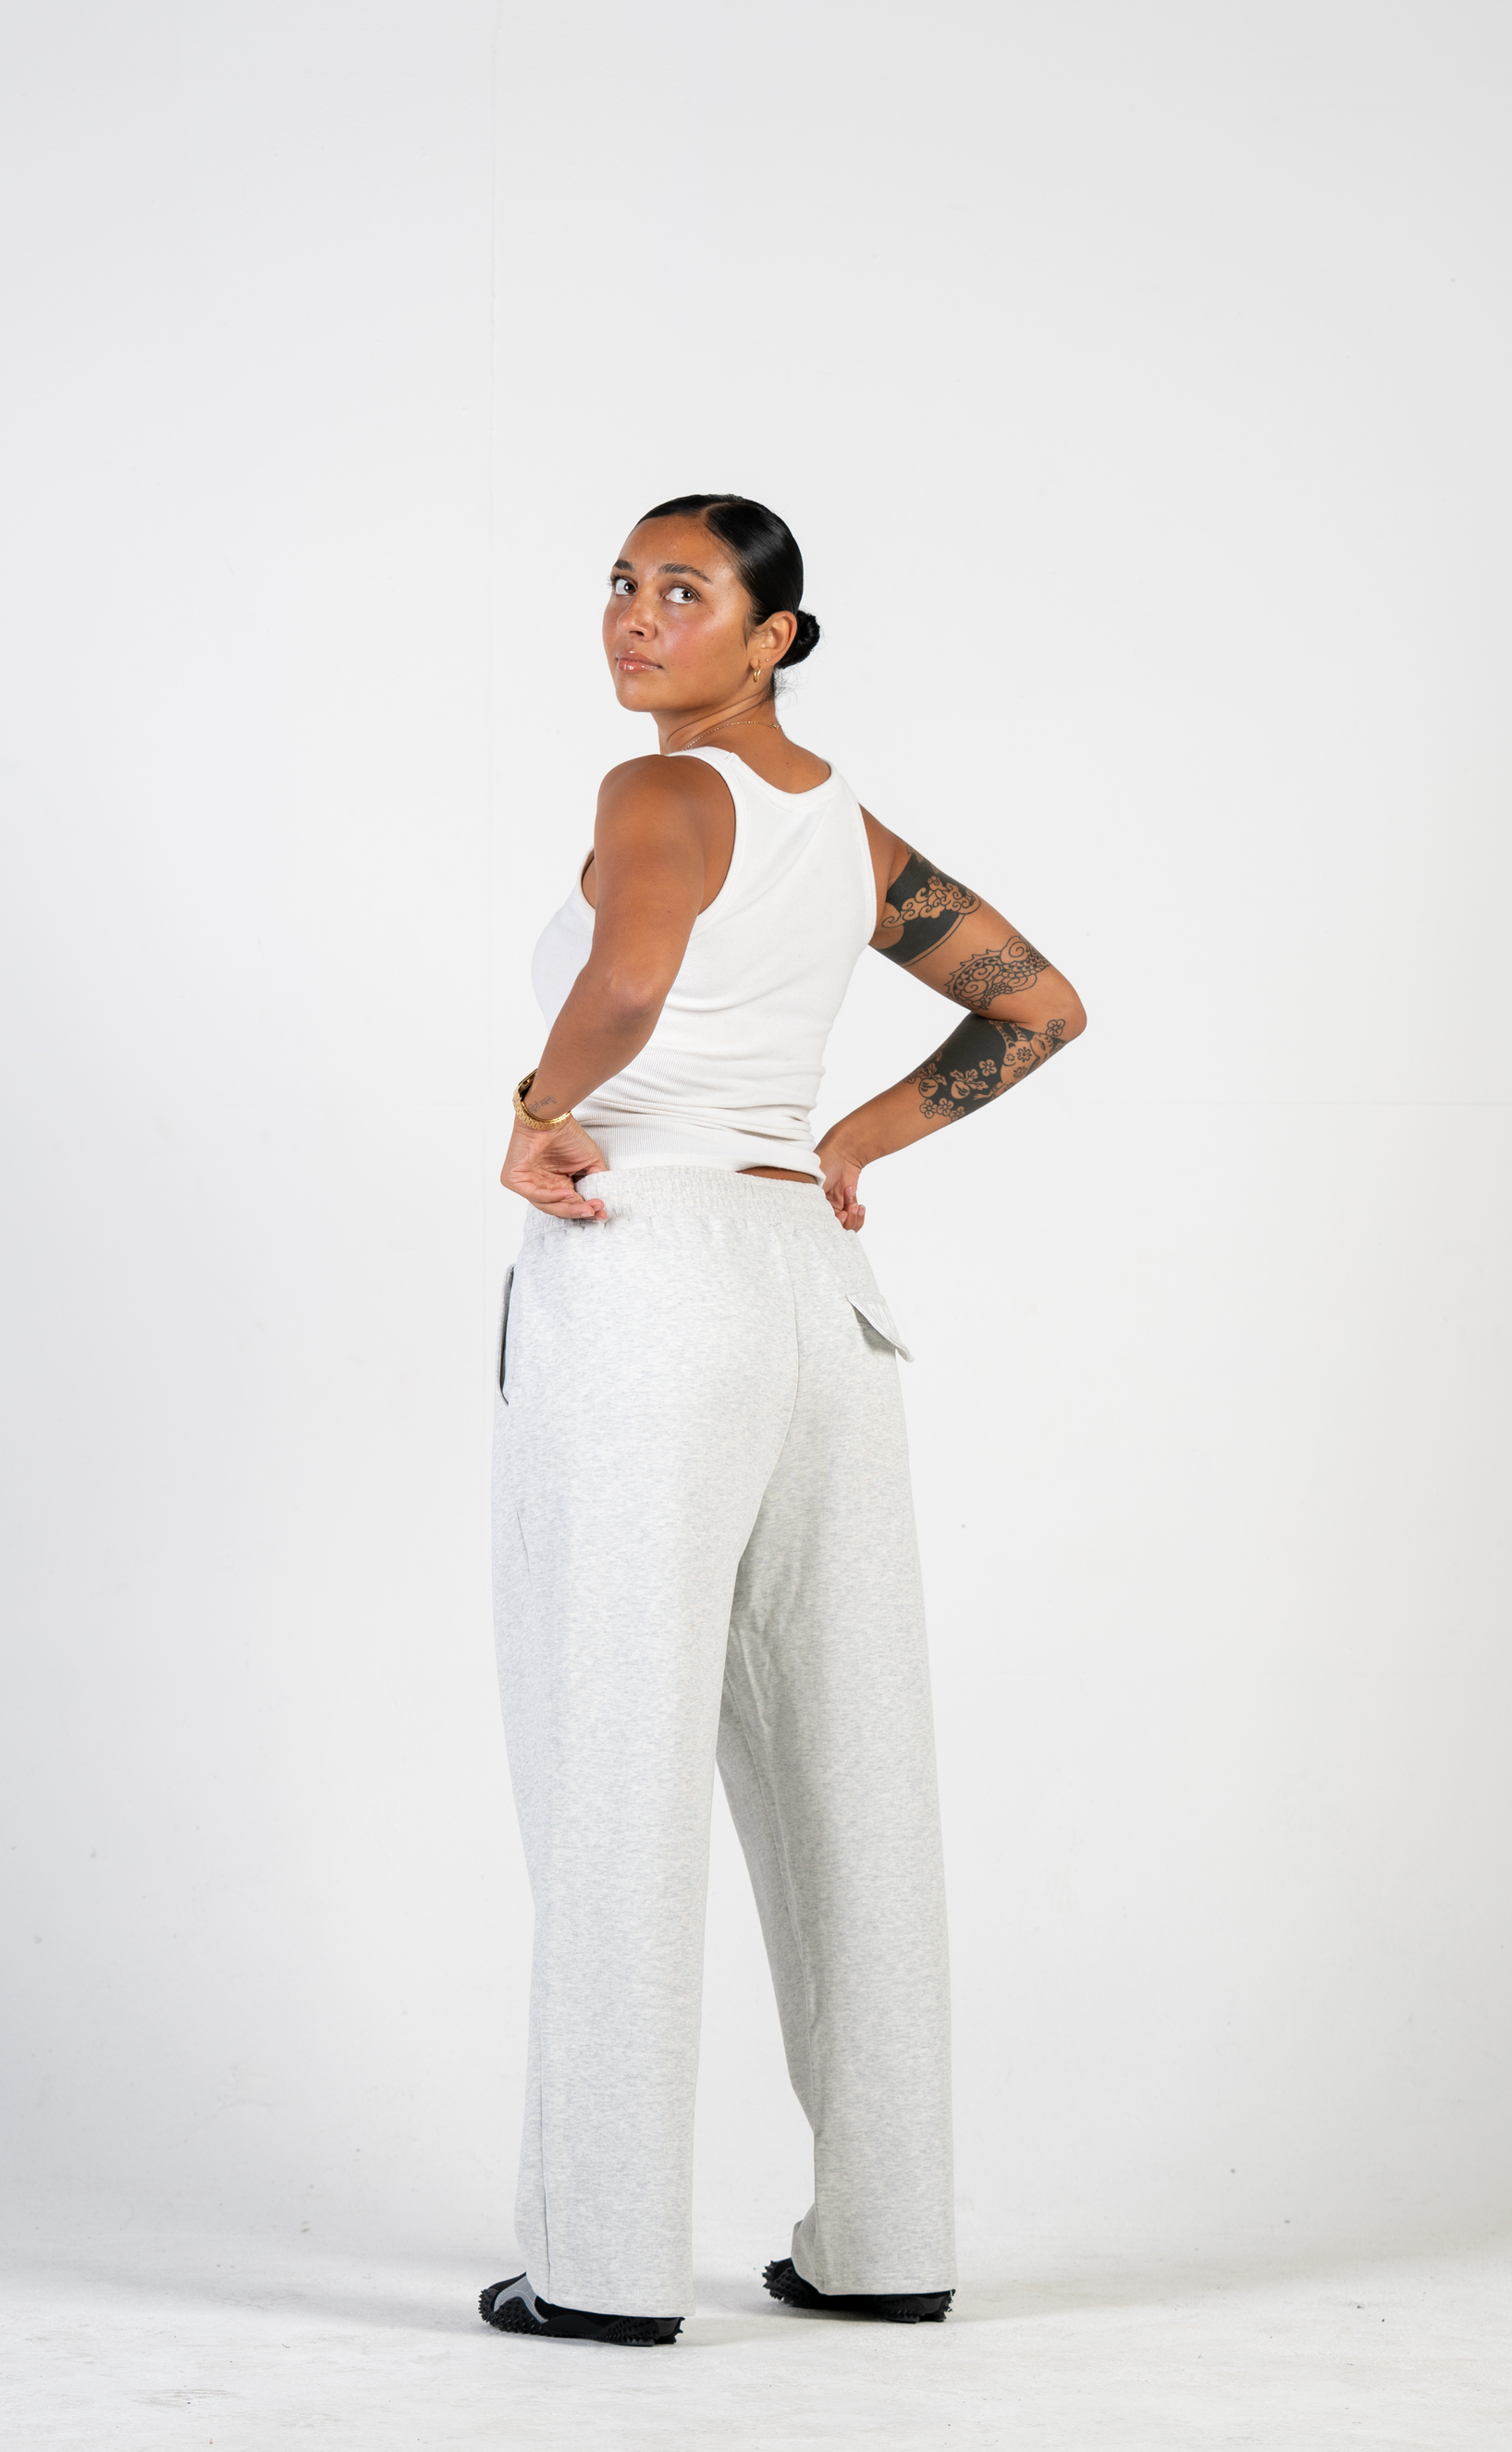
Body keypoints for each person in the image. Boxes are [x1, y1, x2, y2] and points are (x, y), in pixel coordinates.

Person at [480, 494, 1086, 2347]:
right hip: (815, 1297)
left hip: (646, 1272)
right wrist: (844, 1143)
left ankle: (597, 2264)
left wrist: (535, 1108)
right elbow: (1038, 1005)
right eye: (621, 583)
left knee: (616, 1759)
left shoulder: (659, 788)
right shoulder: (847, 833)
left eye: (685, 591)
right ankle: (885, 2239)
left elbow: (629, 980)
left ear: (774, 638)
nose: (634, 616)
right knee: (852, 1773)